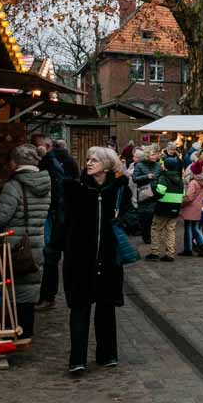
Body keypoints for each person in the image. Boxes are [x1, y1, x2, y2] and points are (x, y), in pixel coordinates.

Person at [55, 146, 132, 374]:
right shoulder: (74, 189)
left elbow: (131, 215)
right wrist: (59, 248)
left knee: (106, 307)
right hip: (79, 259)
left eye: (95, 160)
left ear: (107, 165)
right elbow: (62, 221)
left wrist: (123, 221)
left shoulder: (119, 189)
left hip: (108, 258)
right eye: (88, 159)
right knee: (80, 308)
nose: (89, 163)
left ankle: (107, 354)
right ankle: (77, 359)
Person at [0, 143, 50, 339]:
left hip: (13, 246)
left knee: (6, 286)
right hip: (34, 244)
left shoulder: (14, 185)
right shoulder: (45, 185)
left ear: (15, 163)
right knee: (29, 287)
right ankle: (25, 331)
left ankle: (5, 330)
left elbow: (1, 218)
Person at [37, 137, 79, 309]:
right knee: (56, 256)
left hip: (55, 214)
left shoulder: (48, 163)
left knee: (50, 254)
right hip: (61, 215)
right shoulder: (69, 162)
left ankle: (48, 296)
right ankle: (61, 296)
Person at [148, 156, 184, 262]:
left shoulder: (164, 177)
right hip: (175, 207)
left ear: (166, 166)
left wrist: (153, 195)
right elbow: (183, 194)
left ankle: (155, 252)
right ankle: (170, 253)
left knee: (156, 229)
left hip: (163, 207)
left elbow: (160, 191)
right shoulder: (179, 179)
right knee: (170, 230)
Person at [130, 146, 161, 245]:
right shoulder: (139, 165)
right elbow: (135, 178)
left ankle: (152, 236)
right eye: (152, 154)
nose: (155, 156)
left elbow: (161, 177)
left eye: (155, 154)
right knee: (144, 218)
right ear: (147, 155)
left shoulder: (158, 165)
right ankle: (146, 236)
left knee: (154, 217)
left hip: (156, 195)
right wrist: (146, 176)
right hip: (144, 195)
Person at [180, 160, 203, 257]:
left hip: (190, 208)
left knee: (188, 228)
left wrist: (182, 203)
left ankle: (189, 249)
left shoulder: (193, 182)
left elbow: (189, 197)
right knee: (195, 228)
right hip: (197, 208)